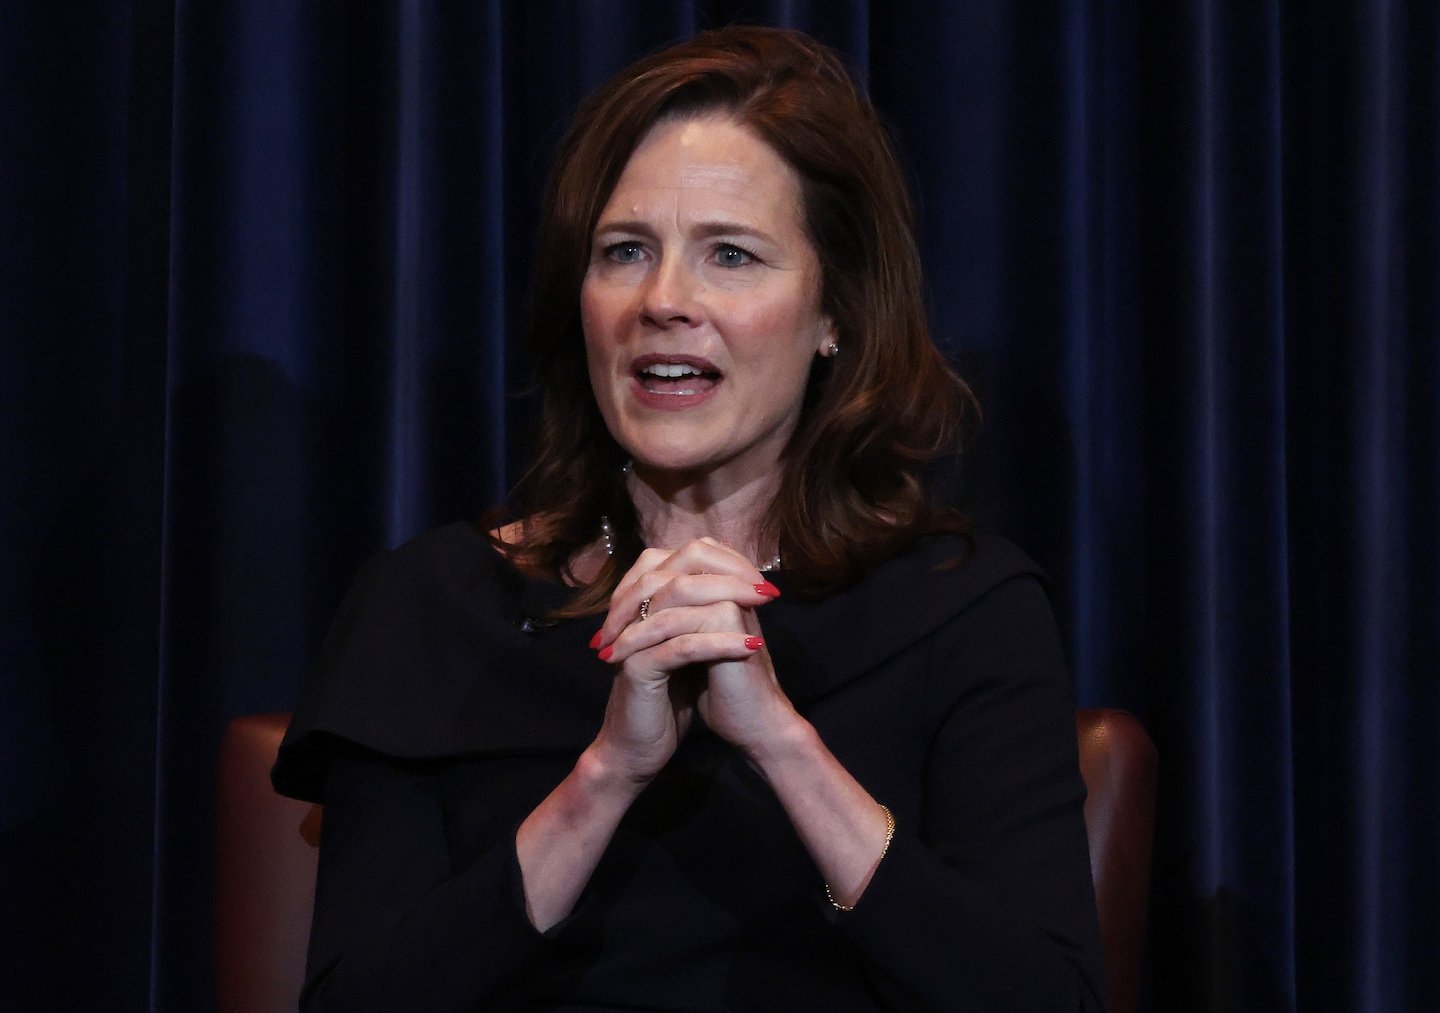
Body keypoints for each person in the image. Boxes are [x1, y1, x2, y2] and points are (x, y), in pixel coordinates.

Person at [274, 25, 1107, 1012]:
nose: (663, 300)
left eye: (731, 255)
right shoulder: (433, 606)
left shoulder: (963, 609)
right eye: (625, 251)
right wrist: (604, 777)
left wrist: (783, 743)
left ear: (835, 315)